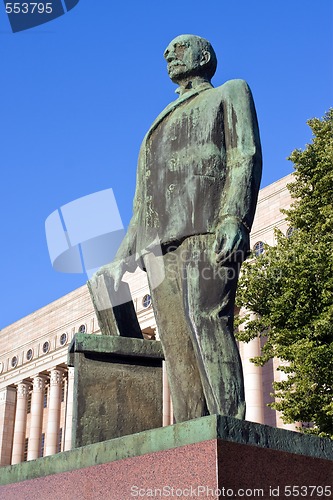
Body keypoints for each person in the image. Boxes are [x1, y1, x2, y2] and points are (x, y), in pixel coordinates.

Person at [90, 34, 262, 422]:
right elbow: (142, 204)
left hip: (207, 229)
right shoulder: (155, 128)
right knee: (176, 346)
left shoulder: (230, 93)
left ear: (204, 55)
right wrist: (120, 259)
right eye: (166, 50)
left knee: (206, 320)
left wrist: (233, 217)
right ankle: (188, 437)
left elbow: (244, 155)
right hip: (158, 249)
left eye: (179, 47)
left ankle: (229, 429)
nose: (169, 53)